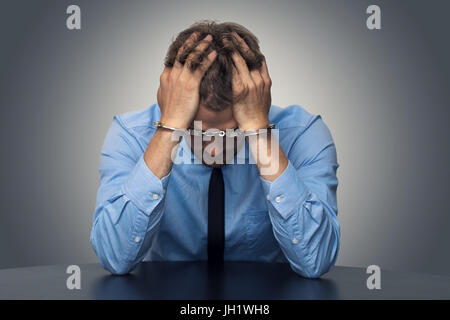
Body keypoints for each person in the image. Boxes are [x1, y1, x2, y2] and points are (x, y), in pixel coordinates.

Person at [90, 21, 340, 278]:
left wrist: (258, 132)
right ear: (170, 99)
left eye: (233, 131)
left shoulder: (302, 134)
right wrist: (170, 128)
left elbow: (316, 260)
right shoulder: (132, 134)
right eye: (197, 130)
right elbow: (115, 257)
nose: (213, 150)